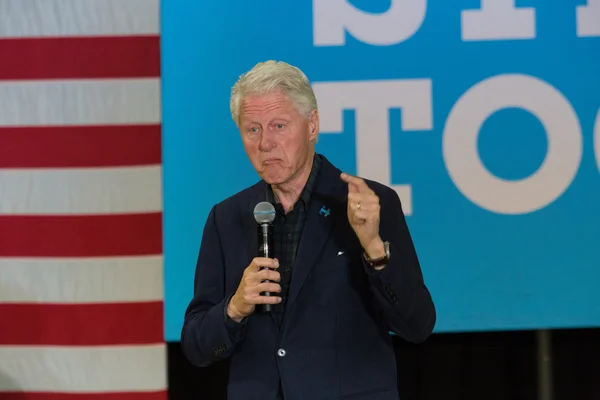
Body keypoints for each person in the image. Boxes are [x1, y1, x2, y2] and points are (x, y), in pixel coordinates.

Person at [180, 60, 436, 400]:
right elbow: (197, 346)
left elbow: (416, 325)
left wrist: (374, 248)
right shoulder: (226, 218)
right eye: (252, 129)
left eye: (279, 126)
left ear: (312, 125)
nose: (265, 143)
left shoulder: (368, 204)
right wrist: (235, 307)